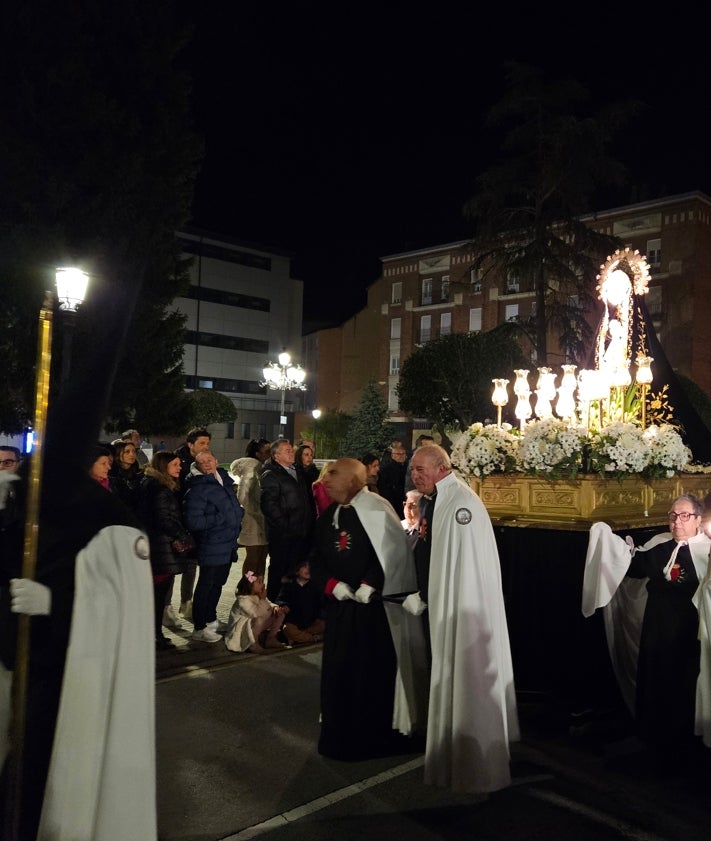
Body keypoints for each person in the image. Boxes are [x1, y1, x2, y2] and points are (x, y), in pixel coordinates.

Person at [408, 443, 519, 793]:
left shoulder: (461, 503)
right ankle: (451, 757)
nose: (415, 476)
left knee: (466, 679)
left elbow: (467, 568)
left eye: (420, 470)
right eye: (413, 471)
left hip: (462, 613)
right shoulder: (441, 499)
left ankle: (475, 765)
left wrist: (444, 603)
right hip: (443, 606)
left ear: (442, 468)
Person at [311, 458, 428, 760]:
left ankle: (374, 737)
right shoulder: (331, 515)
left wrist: (369, 584)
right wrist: (332, 584)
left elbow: (391, 552)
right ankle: (340, 735)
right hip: (341, 612)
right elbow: (317, 557)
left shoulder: (376, 508)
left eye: (334, 474)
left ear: (354, 480)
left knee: (370, 674)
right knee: (340, 672)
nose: (327, 479)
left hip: (375, 616)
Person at [583, 494, 711, 766]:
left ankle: (685, 744)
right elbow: (632, 565)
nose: (677, 522)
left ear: (699, 519)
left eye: (684, 515)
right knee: (656, 680)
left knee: (684, 684)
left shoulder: (707, 551)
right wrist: (606, 540)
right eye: (673, 515)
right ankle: (653, 738)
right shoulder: (661, 546)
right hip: (657, 628)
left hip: (689, 632)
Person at [183, 450, 243, 643]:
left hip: (228, 543)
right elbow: (194, 521)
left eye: (209, 460)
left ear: (216, 461)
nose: (207, 464)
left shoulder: (223, 481)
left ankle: (210, 620)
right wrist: (221, 519)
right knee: (206, 585)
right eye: (202, 462)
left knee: (217, 584)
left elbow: (233, 507)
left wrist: (239, 514)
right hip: (212, 543)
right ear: (197, 466)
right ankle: (199, 627)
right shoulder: (198, 488)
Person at [138, 451, 195, 651]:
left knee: (156, 594)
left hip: (157, 546)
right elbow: (164, 519)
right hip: (161, 549)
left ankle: (154, 635)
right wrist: (183, 535)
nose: (180, 467)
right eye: (175, 464)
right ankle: (154, 637)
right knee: (157, 594)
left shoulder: (152, 485)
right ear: (164, 467)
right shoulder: (160, 490)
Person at [260, 439, 315, 601]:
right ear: (276, 456)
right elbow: (269, 506)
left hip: (300, 532)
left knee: (294, 570)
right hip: (282, 535)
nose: (292, 452)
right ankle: (273, 604)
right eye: (287, 450)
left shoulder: (297, 471)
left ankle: (290, 606)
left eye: (291, 449)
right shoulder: (271, 475)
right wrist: (286, 525)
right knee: (279, 570)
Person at [168, 427, 212, 621]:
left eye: (208, 443)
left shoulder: (204, 463)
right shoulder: (176, 462)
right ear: (190, 444)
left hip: (195, 521)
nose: (206, 447)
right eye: (202, 443)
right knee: (170, 566)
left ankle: (186, 603)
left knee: (192, 565)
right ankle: (166, 606)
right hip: (177, 520)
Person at [223, 570, 288, 654]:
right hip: (242, 628)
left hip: (254, 624)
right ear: (250, 585)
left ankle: (270, 639)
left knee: (280, 614)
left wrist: (275, 607)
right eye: (259, 582)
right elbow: (255, 613)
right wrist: (262, 599)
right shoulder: (243, 600)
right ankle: (253, 644)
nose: (263, 584)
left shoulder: (257, 595)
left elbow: (267, 604)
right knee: (260, 617)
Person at [229, 454, 268, 578]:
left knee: (261, 556)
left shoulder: (258, 474)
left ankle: (257, 585)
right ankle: (248, 586)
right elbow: (243, 499)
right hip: (252, 521)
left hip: (261, 520)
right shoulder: (249, 474)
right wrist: (257, 512)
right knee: (254, 557)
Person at [276, 560, 325, 645]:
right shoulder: (289, 585)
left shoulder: (315, 585)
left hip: (310, 621)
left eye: (310, 567)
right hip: (294, 621)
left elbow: (321, 603)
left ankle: (298, 637)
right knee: (287, 629)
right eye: (305, 567)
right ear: (297, 571)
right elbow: (280, 599)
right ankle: (312, 638)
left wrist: (320, 616)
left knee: (324, 625)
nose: (308, 569)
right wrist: (284, 605)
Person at [110, 438, 144, 510]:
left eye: (134, 451)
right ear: (118, 454)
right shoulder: (112, 475)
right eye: (127, 452)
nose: (132, 454)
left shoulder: (140, 473)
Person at [378, 440, 408, 513]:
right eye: (398, 454)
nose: (401, 456)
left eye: (403, 454)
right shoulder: (386, 469)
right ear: (392, 455)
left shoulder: (407, 467)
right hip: (393, 502)